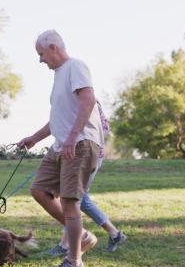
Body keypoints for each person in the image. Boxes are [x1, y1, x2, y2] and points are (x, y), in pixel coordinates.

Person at [17, 29, 109, 267]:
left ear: (54, 48)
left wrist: (71, 139)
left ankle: (74, 262)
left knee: (69, 202)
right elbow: (57, 118)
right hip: (61, 144)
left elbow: (88, 100)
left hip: (78, 144)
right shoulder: (59, 75)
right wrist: (34, 138)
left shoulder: (76, 66)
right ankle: (82, 236)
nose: (40, 59)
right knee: (39, 190)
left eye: (41, 54)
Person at [47, 101, 127, 256]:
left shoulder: (86, 102)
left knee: (72, 198)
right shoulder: (91, 102)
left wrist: (73, 141)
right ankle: (114, 234)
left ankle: (65, 245)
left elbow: (93, 129)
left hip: (85, 154)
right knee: (78, 198)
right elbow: (105, 128)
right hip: (87, 154)